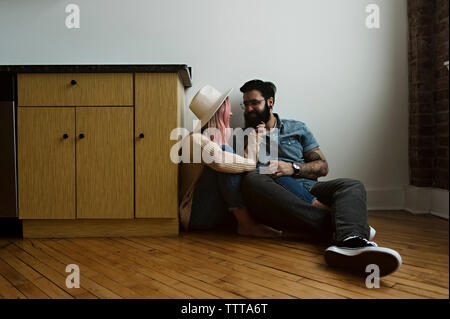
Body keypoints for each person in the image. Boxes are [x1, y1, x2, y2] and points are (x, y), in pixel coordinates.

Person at [239, 79, 402, 277]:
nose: (249, 109)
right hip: (277, 200)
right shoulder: (244, 136)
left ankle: (350, 243)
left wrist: (293, 168)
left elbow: (323, 167)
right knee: (256, 176)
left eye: (254, 103)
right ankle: (349, 229)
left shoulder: (296, 128)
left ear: (270, 102)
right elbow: (245, 169)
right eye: (245, 104)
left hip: (307, 188)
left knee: (351, 185)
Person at [178, 85, 282, 238]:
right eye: (228, 108)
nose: (232, 113)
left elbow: (242, 163)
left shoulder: (207, 139)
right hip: (195, 216)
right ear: (220, 112)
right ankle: (246, 225)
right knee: (226, 153)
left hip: (211, 213)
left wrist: (254, 139)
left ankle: (250, 222)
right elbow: (222, 162)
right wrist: (252, 159)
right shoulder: (196, 140)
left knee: (229, 156)